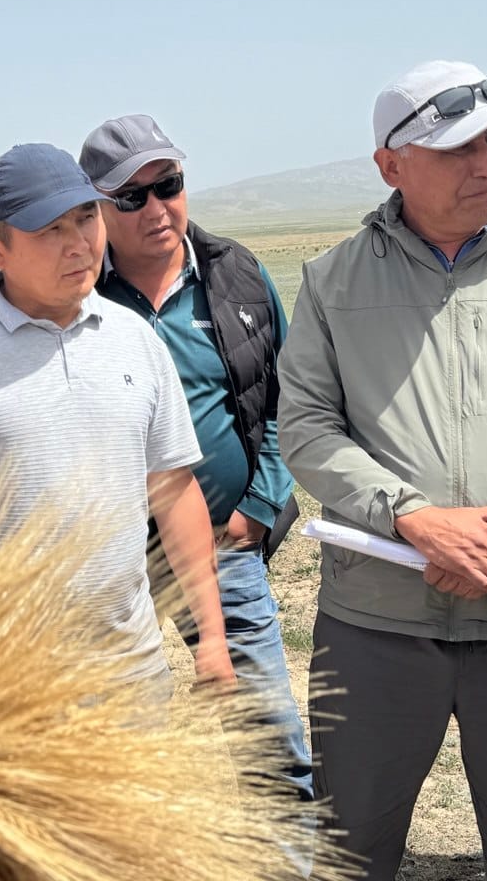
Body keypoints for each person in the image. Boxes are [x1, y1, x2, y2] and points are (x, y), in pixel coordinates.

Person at [277, 60, 487, 880]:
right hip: (376, 627)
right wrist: (414, 518)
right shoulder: (332, 280)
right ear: (390, 166)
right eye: (458, 147)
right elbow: (308, 428)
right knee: (353, 852)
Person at [0, 142, 234, 694]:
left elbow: (174, 489)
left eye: (86, 217)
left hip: (132, 674)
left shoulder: (136, 339)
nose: (79, 244)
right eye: (51, 230)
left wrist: (212, 638)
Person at [79, 115, 312, 801]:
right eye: (132, 196)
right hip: (110, 560)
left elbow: (288, 397)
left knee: (269, 741)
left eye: (169, 185)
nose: (156, 208)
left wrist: (259, 507)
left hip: (223, 545)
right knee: (108, 746)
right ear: (97, 207)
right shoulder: (73, 293)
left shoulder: (236, 276)